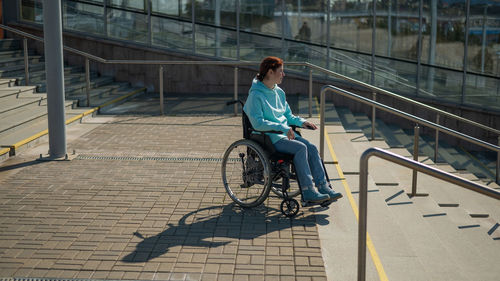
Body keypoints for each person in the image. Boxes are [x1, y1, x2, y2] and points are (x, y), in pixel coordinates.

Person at [243, 56, 343, 204]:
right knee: (301, 148)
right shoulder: (256, 95)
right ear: (270, 72)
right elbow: (258, 123)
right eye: (281, 71)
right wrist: (282, 127)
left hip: (284, 134)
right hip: (269, 137)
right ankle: (308, 191)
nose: (284, 74)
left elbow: (288, 116)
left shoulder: (279, 92)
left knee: (312, 148)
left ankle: (324, 187)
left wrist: (302, 122)